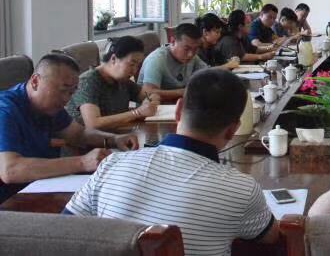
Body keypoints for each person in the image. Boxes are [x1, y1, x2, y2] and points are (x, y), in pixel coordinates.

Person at [65, 69, 278, 255]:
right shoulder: (241, 189)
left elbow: (63, 229)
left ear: (178, 110)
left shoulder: (112, 164)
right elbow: (272, 239)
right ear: (232, 130)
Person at [0, 54, 139, 204]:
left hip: (38, 187)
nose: (66, 99)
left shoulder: (49, 107)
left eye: (71, 93)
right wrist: (82, 162)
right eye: (62, 90)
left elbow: (79, 134)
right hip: (8, 201)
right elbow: (10, 170)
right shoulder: (5, 110)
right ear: (35, 81)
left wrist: (114, 140)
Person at [66, 37, 161, 130]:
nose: (134, 71)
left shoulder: (122, 80)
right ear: (114, 59)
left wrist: (152, 100)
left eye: (137, 66)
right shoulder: (88, 81)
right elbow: (93, 124)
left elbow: (148, 95)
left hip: (116, 134)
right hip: (86, 139)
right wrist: (137, 113)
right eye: (132, 64)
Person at [138, 23, 207, 101]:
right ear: (173, 41)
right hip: (157, 106)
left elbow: (208, 73)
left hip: (178, 103)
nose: (190, 54)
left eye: (195, 49)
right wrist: (183, 92)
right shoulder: (156, 59)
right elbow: (147, 93)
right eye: (186, 49)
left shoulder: (192, 57)